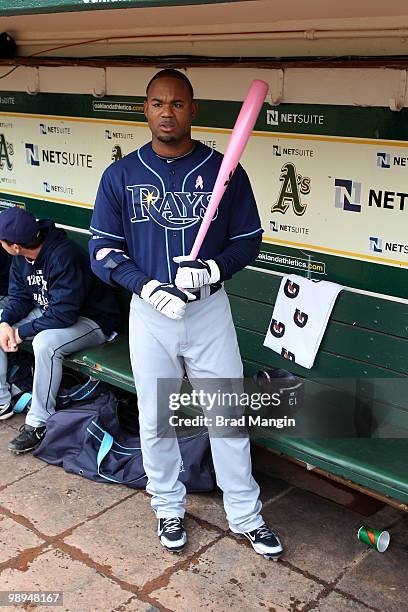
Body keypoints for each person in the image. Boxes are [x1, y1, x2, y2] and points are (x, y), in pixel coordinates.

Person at [89, 69, 283, 559]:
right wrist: (146, 287)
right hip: (150, 314)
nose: (167, 112)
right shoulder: (121, 175)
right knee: (156, 419)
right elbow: (104, 250)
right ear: (146, 109)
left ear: (193, 110)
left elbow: (247, 239)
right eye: (158, 103)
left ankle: (245, 514)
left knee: (228, 416)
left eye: (177, 103)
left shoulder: (225, 171)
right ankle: (168, 506)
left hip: (208, 311)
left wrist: (214, 268)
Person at [0, 206, 120, 451]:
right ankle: (2, 400)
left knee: (45, 344)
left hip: (91, 321)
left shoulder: (64, 255)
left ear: (15, 246)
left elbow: (64, 315)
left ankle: (39, 422)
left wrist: (20, 332)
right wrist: (5, 322)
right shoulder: (21, 258)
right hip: (50, 313)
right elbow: (19, 296)